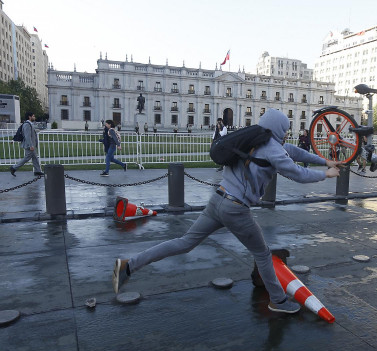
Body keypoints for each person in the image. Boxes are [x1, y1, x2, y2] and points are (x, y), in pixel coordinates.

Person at [112, 109, 342, 314]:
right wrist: (326, 174)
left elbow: (294, 152)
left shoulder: (250, 140)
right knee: (262, 254)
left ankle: (129, 265)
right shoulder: (272, 149)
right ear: (279, 128)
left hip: (217, 200)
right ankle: (278, 301)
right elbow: (298, 173)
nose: (287, 133)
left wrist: (323, 161)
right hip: (236, 209)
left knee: (184, 242)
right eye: (286, 129)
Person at [10, 112, 44, 177]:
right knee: (27, 158)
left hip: (31, 145)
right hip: (29, 146)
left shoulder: (29, 124)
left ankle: (37, 171)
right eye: (33, 116)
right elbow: (27, 136)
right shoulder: (27, 125)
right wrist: (31, 145)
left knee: (35, 158)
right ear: (29, 117)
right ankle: (14, 168)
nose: (34, 117)